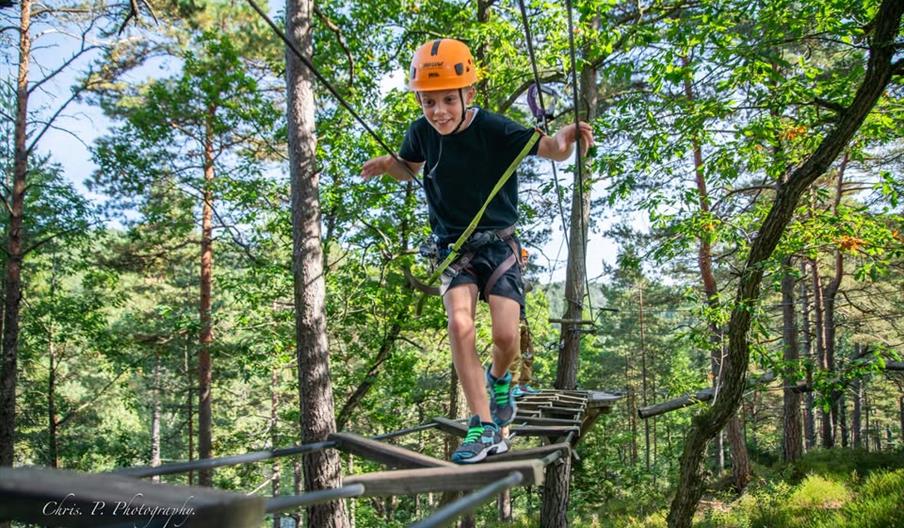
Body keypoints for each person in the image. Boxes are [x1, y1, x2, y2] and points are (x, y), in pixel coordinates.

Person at [361, 38, 593, 464]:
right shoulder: (420, 133)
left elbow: (552, 152)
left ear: (468, 94)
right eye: (428, 103)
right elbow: (407, 168)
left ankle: (500, 379)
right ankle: (484, 425)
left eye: (448, 100)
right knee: (460, 327)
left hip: (499, 246)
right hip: (452, 251)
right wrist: (387, 164)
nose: (438, 112)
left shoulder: (496, 128)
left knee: (506, 337)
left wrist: (564, 140)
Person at [511, 247, 540, 398]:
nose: (525, 261)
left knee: (528, 352)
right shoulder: (508, 275)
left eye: (527, 258)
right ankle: (512, 387)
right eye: (523, 257)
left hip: (523, 318)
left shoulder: (521, 278)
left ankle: (524, 384)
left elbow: (528, 287)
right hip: (511, 318)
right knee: (513, 354)